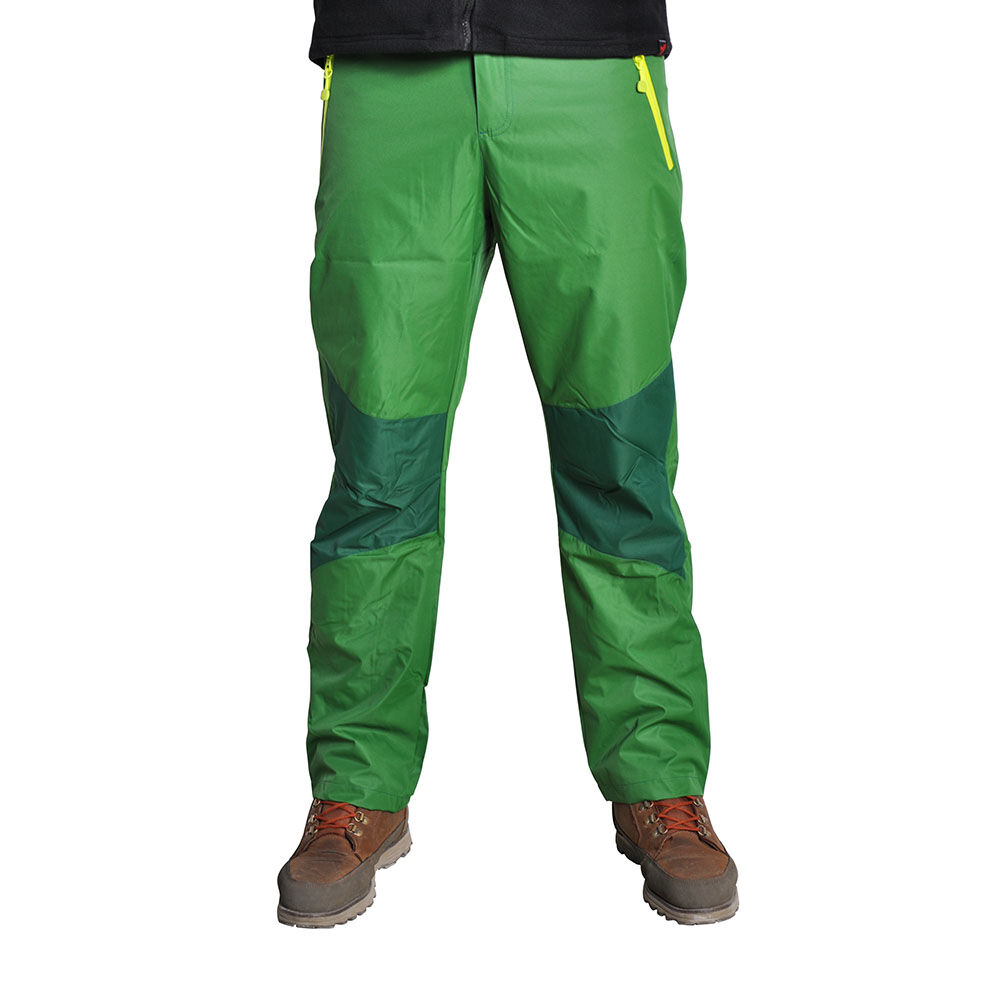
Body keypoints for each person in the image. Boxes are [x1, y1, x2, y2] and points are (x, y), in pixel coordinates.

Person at [276, 0, 739, 928]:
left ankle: (659, 780)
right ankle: (357, 788)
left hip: (589, 62)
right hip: (390, 62)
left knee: (621, 457)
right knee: (378, 465)